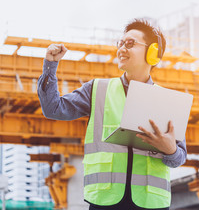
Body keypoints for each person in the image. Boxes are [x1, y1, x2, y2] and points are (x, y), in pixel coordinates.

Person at [37, 19, 187, 210]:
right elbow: (53, 109)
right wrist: (50, 65)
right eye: (121, 43)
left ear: (152, 53)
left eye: (130, 44)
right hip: (104, 200)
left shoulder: (167, 101)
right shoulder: (97, 89)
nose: (122, 49)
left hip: (151, 203)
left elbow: (180, 157)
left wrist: (170, 149)